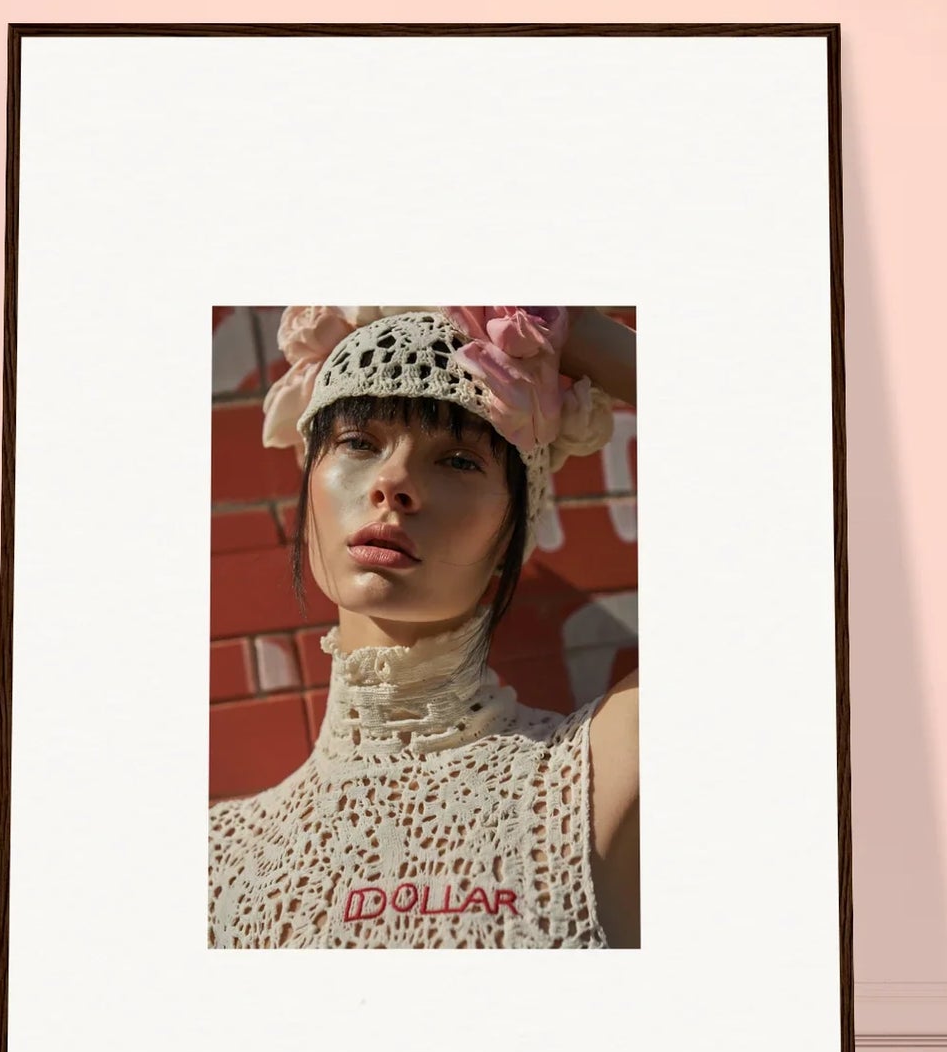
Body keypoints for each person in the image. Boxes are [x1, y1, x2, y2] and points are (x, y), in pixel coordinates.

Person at [208, 305, 640, 949]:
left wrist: (554, 322)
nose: (394, 482)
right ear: (309, 489)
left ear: (511, 534)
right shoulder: (217, 859)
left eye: (461, 460)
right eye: (358, 442)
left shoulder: (596, 779)